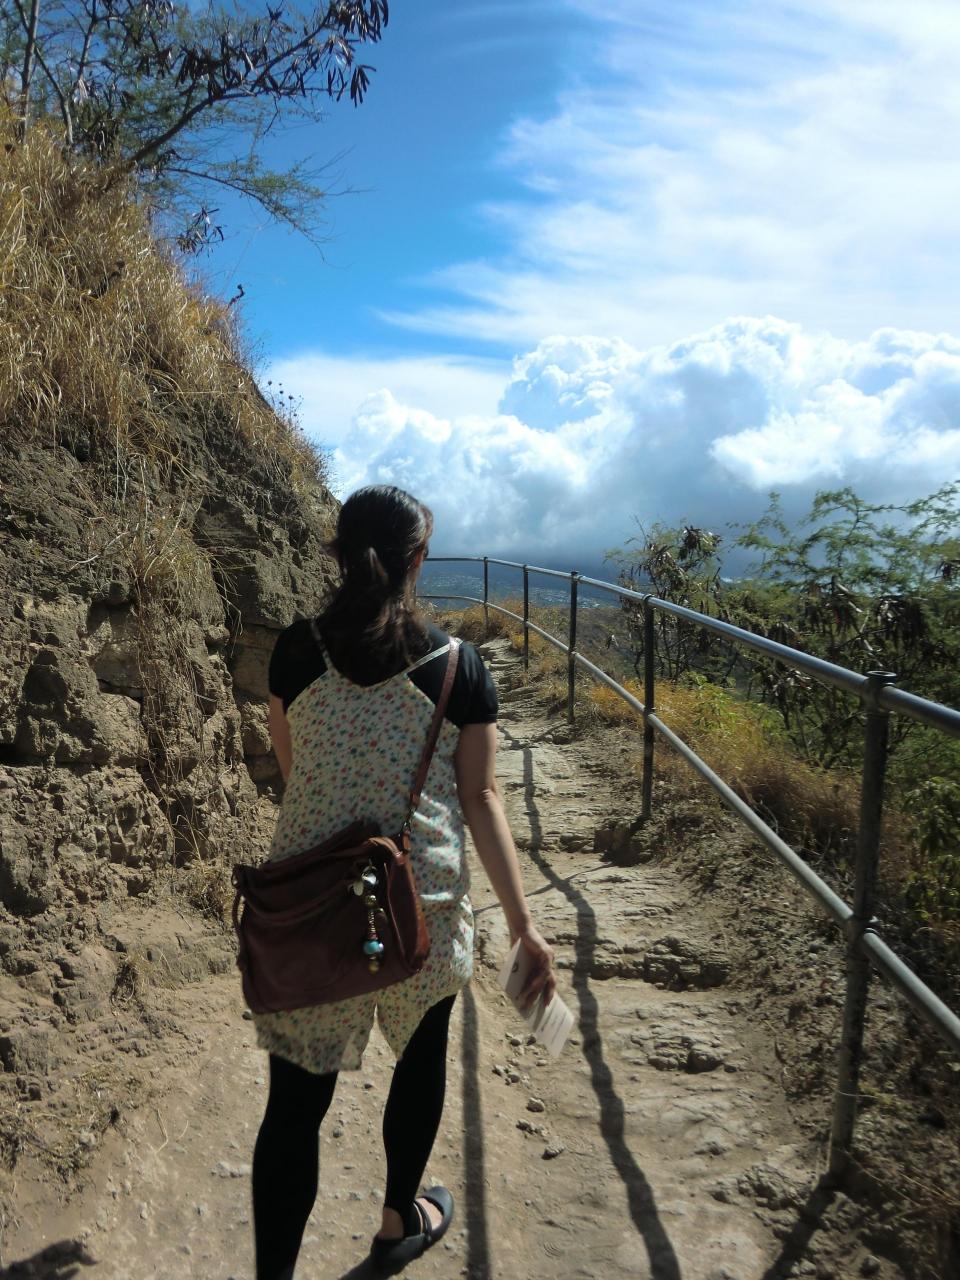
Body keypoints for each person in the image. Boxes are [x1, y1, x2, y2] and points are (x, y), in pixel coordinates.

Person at [251, 485, 556, 1280]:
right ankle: (396, 1223)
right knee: (420, 1065)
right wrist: (524, 926)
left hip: (312, 904)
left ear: (336, 552)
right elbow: (481, 799)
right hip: (422, 908)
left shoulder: (294, 651)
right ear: (420, 558)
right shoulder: (459, 668)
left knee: (293, 1108)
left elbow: (294, 770)